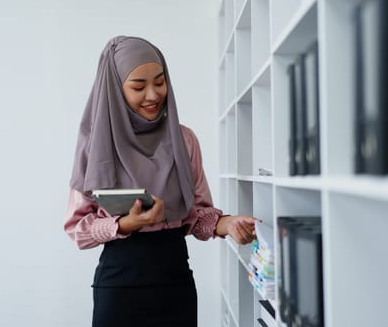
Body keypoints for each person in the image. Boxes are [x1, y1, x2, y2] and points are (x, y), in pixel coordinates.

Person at [64, 35, 257, 327]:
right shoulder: (97, 147)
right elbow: (77, 229)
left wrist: (227, 224)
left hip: (175, 284)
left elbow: (196, 217)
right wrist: (125, 224)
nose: (153, 95)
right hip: (119, 287)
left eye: (160, 81)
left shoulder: (184, 140)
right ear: (116, 90)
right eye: (138, 87)